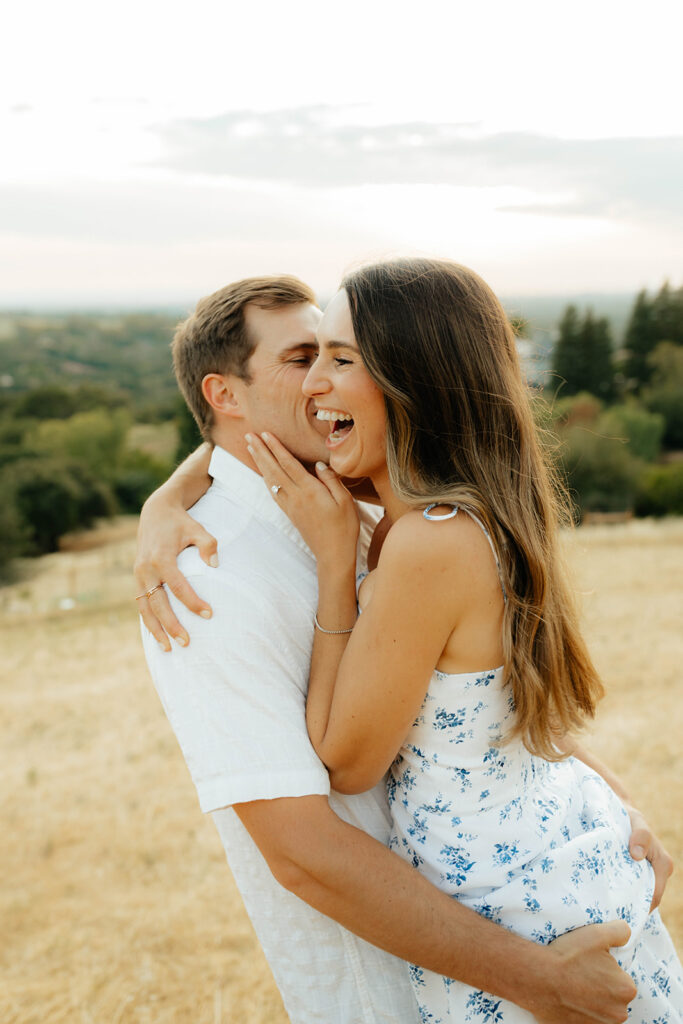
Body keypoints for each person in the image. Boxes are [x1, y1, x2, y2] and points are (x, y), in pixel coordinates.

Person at [136, 273, 669, 1024]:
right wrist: (166, 501)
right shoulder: (207, 584)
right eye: (302, 358)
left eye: (338, 355)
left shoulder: (373, 513)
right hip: (420, 976)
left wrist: (604, 799)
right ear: (226, 396)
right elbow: (304, 853)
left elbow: (473, 703)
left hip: (529, 923)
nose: (321, 380)